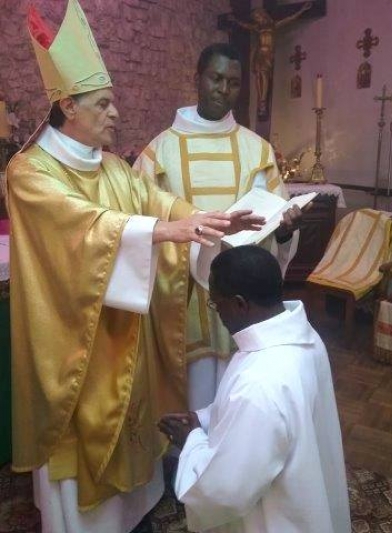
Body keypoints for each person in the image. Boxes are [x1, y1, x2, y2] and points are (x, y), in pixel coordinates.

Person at [7, 3, 264, 532]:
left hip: (122, 331)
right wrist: (161, 232)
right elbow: (78, 224)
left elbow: (160, 203)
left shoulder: (115, 168)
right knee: (81, 432)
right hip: (72, 341)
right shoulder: (29, 171)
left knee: (131, 420)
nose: (116, 114)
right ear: (68, 106)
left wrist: (209, 221)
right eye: (103, 104)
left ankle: (133, 511)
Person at [134, 42, 302, 411]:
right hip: (182, 295)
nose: (224, 89)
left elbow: (275, 220)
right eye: (216, 78)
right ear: (197, 79)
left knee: (238, 400)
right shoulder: (159, 153)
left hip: (242, 299)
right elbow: (142, 223)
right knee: (191, 403)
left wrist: (285, 231)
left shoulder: (258, 151)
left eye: (234, 83)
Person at [159, 245, 351, 533]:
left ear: (240, 304)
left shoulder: (260, 382)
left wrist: (191, 440)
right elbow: (270, 416)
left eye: (216, 304)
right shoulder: (302, 335)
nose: (218, 313)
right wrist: (205, 419)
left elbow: (225, 490)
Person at [230, 4, 311, 117]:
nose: (257, 19)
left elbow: (289, 18)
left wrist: (301, 10)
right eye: (255, 18)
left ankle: (263, 99)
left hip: (267, 54)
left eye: (258, 17)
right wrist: (235, 20)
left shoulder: (273, 25)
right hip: (259, 53)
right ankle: (260, 99)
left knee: (264, 74)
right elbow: (246, 25)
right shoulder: (258, 27)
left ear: (262, 15)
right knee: (258, 75)